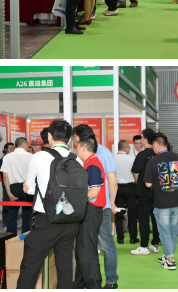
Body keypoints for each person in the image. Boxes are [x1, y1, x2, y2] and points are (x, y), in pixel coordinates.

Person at [17, 119, 88, 289]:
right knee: (65, 267)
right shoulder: (77, 160)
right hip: (71, 220)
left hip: (46, 221)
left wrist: (29, 188)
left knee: (30, 267)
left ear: (49, 136)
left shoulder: (39, 156)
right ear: (69, 140)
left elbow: (30, 189)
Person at [72, 124, 119, 290]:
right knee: (84, 248)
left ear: (83, 144)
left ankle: (108, 281)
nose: (74, 145)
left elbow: (100, 187)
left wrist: (111, 203)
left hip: (96, 207)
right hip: (91, 208)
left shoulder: (96, 160)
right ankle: (80, 284)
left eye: (76, 141)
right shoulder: (90, 161)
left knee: (98, 246)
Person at [142, 133, 178, 271]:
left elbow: (148, 184)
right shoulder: (177, 157)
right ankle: (168, 255)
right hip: (176, 199)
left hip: (162, 201)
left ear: (155, 144)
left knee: (164, 231)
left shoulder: (153, 161)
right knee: (173, 230)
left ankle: (170, 261)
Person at [73, 134, 106, 289]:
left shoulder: (93, 164)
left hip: (91, 210)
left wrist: (76, 200)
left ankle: (94, 286)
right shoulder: (88, 164)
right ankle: (79, 285)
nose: (75, 149)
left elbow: (93, 192)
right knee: (81, 251)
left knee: (87, 251)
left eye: (77, 146)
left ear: (83, 148)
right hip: (87, 210)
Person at [131, 127, 160, 256]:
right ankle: (155, 244)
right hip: (157, 191)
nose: (141, 140)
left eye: (142, 137)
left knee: (143, 219)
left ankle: (144, 246)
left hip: (143, 192)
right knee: (156, 218)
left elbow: (136, 172)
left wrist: (138, 185)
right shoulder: (158, 154)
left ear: (145, 139)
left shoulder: (142, 155)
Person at [1, 138, 34, 234]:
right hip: (27, 187)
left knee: (12, 215)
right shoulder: (31, 156)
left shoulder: (7, 157)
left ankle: (11, 239)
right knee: (27, 215)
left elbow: (5, 176)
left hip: (13, 188)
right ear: (24, 145)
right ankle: (25, 237)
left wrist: (8, 192)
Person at [114, 139, 138, 247]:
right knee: (132, 213)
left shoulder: (112, 158)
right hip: (130, 188)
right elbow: (135, 174)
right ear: (126, 148)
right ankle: (133, 237)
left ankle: (120, 238)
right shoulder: (131, 159)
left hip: (117, 188)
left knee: (119, 213)